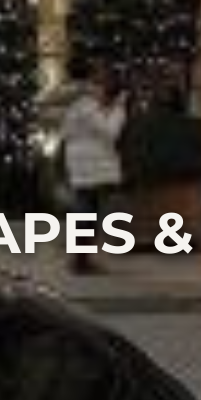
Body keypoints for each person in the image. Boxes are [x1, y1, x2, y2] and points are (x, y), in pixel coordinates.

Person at [58, 66, 127, 275]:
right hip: (91, 163)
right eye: (101, 83)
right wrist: (118, 109)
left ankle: (81, 259)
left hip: (82, 161)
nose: (103, 89)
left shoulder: (77, 105)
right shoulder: (86, 106)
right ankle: (80, 260)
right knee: (87, 211)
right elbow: (110, 132)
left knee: (88, 209)